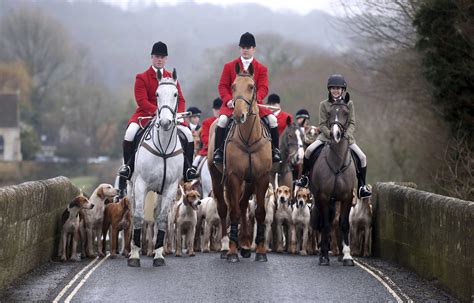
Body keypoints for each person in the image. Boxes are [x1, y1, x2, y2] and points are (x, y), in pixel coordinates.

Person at [116, 41, 198, 195]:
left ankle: (188, 169)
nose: (159, 59)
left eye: (162, 57)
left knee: (187, 134)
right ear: (152, 57)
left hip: (170, 117)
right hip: (146, 115)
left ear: (166, 59)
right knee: (130, 133)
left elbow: (181, 99)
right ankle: (128, 166)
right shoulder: (142, 77)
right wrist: (158, 112)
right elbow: (141, 100)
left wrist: (178, 115)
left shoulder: (171, 78)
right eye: (157, 56)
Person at [296, 74, 371, 198]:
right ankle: (305, 178)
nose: (335, 90)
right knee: (308, 151)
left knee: (362, 158)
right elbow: (322, 124)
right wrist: (330, 133)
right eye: (333, 88)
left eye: (338, 88)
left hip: (346, 138)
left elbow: (352, 123)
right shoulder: (323, 104)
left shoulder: (349, 104)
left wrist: (346, 135)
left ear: (342, 90)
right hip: (326, 137)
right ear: (329, 90)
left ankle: (362, 186)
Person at [213, 32, 281, 164]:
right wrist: (228, 100)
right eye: (243, 47)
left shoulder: (261, 68)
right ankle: (219, 152)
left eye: (248, 47)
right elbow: (222, 86)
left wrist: (256, 99)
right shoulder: (229, 66)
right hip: (232, 105)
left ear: (253, 49)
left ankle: (274, 151)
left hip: (254, 105)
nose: (245, 50)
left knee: (272, 120)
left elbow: (263, 88)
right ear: (240, 48)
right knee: (221, 121)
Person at [193, 97, 222, 168]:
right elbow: (204, 138)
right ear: (213, 110)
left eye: (219, 109)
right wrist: (214, 146)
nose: (217, 111)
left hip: (224, 150)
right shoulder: (207, 122)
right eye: (215, 109)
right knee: (196, 160)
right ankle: (193, 174)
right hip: (209, 149)